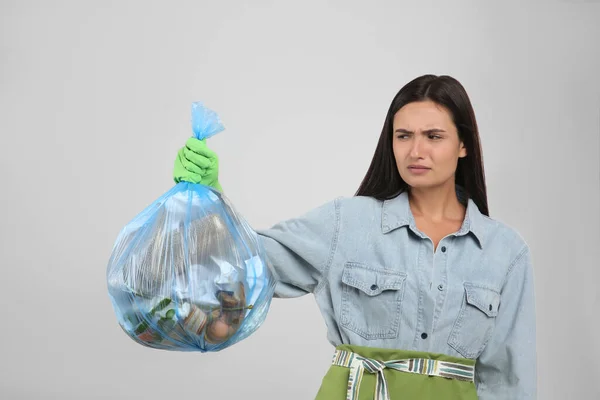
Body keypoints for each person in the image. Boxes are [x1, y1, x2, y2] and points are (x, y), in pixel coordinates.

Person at [173, 74, 537, 399]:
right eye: (403, 135)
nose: (415, 151)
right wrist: (210, 200)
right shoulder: (345, 223)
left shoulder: (505, 252)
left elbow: (508, 379)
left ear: (463, 145)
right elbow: (249, 263)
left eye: (434, 136)